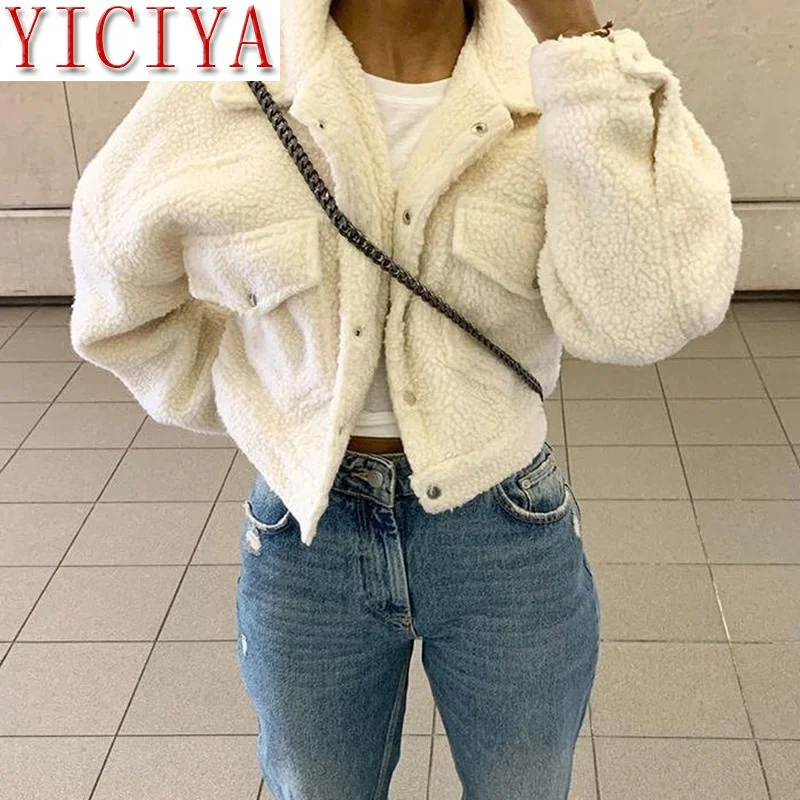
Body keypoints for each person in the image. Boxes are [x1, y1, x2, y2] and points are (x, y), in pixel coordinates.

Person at [67, 0, 743, 797]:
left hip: (504, 521)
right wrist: (268, 404)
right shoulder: (222, 84)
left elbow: (648, 315)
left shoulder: (563, 82)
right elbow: (118, 300)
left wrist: (575, 38)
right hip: (306, 534)